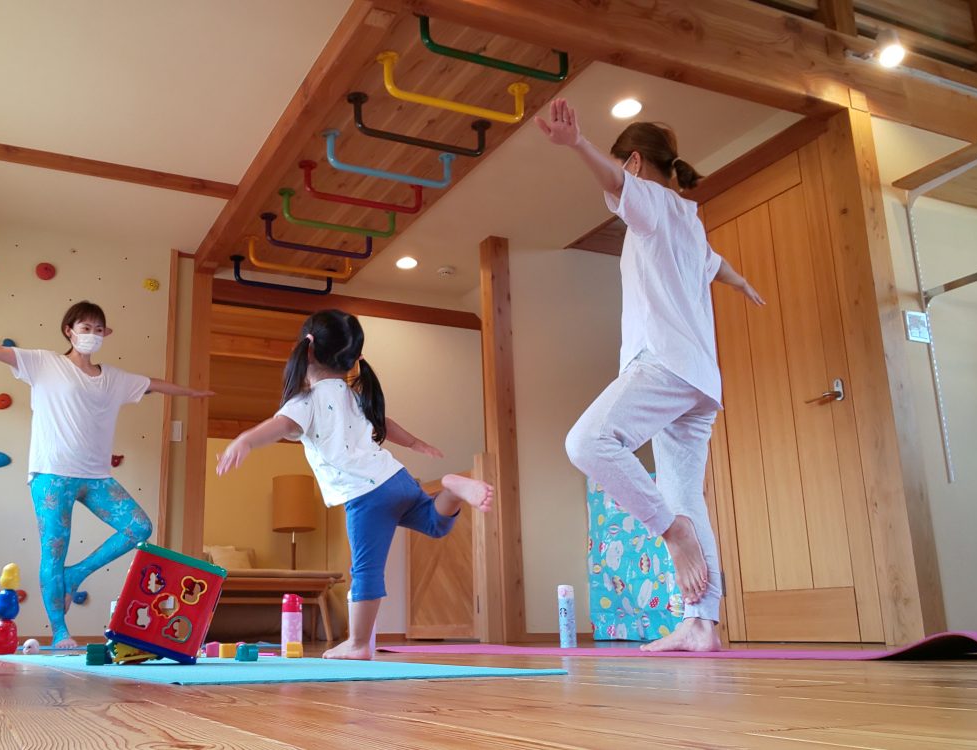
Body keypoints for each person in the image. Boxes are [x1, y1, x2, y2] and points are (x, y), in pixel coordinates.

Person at [537, 99, 765, 652]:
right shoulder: (689, 218)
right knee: (686, 492)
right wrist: (740, 281)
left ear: (636, 163)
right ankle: (701, 624)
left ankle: (673, 531)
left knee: (587, 442)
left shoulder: (654, 203)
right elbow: (714, 263)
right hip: (700, 381)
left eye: (626, 166)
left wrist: (578, 144)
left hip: (664, 363)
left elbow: (617, 183)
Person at [0, 301, 212, 649]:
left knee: (139, 527)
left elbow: (154, 384)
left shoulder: (114, 378)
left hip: (96, 477)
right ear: (69, 330)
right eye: (86, 328)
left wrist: (193, 393)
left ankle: (76, 574)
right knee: (54, 550)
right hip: (51, 474)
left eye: (99, 330)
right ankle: (60, 632)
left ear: (106, 334)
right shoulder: (44, 363)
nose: (92, 335)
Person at [215, 309, 493, 660]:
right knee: (435, 524)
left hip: (365, 496)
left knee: (365, 569)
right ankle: (451, 490)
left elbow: (280, 426)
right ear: (354, 358)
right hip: (396, 478)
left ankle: (359, 643)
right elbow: (384, 422)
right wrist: (414, 443)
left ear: (308, 348)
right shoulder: (354, 394)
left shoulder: (305, 401)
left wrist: (245, 440)